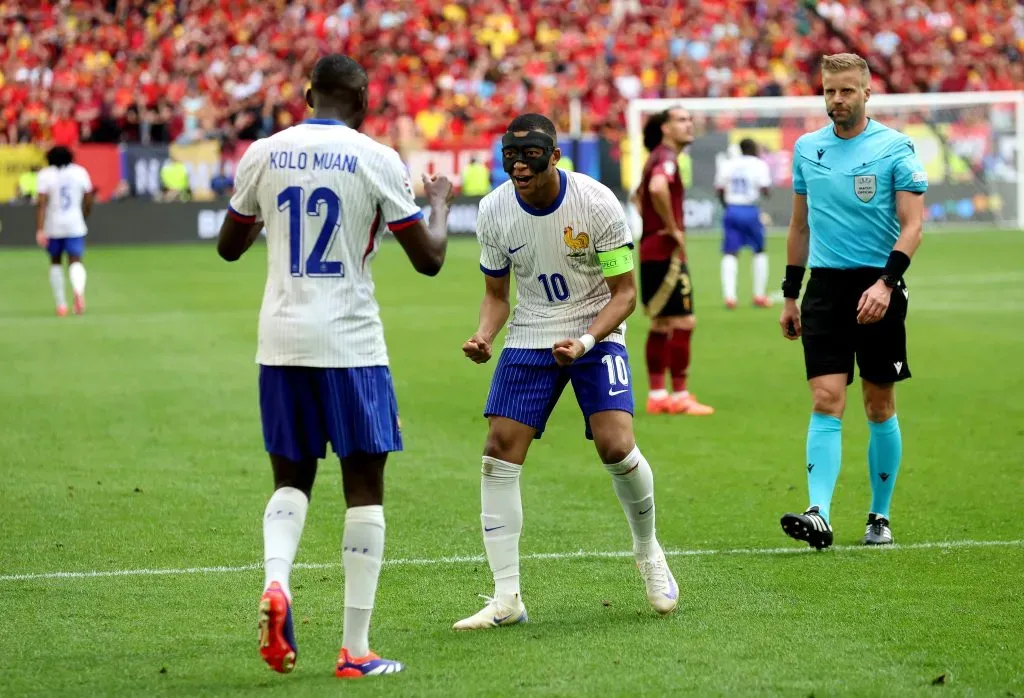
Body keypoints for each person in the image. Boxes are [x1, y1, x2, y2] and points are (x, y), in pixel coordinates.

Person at [216, 54, 454, 679]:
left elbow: (229, 246)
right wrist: (439, 204)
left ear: (306, 93)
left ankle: (277, 584)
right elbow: (429, 260)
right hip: (351, 344)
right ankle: (355, 649)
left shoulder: (264, 151)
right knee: (364, 490)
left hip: (281, 341)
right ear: (365, 100)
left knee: (290, 482)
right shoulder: (377, 158)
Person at [455, 113, 678, 631]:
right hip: (532, 332)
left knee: (616, 446)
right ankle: (506, 597)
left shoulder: (597, 202)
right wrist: (485, 335)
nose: (519, 165)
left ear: (555, 156)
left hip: (595, 330)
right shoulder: (494, 210)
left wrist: (585, 340)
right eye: (511, 155)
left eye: (530, 155)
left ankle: (648, 553)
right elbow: (495, 297)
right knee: (498, 451)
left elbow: (625, 295)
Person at [778, 53, 927, 550]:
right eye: (828, 91)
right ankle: (818, 512)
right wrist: (789, 295)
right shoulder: (806, 149)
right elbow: (798, 227)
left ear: (867, 93)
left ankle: (879, 516)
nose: (836, 100)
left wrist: (886, 284)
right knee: (825, 398)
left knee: (878, 404)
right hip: (824, 288)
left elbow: (913, 227)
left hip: (878, 284)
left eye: (846, 91)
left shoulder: (895, 148)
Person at [637, 108, 714, 416]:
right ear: (666, 128)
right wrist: (672, 228)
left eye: (689, 118)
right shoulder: (666, 157)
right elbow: (655, 188)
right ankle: (680, 395)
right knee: (684, 322)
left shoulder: (655, 156)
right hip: (665, 250)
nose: (689, 123)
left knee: (661, 323)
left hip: (650, 248)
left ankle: (658, 395)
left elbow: (637, 194)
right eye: (682, 120)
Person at [35, 146, 93, 316]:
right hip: (75, 222)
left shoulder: (45, 175)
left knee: (55, 261)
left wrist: (39, 229)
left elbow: (41, 204)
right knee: (76, 260)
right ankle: (79, 292)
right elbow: (89, 198)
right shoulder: (80, 172)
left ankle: (61, 304)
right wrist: (84, 214)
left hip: (53, 225)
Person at [715, 138, 773, 309]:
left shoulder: (728, 164)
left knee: (730, 253)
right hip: (750, 210)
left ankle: (730, 297)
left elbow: (719, 189)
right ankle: (759, 295)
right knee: (759, 251)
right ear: (754, 148)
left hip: (732, 209)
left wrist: (727, 206)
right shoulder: (759, 165)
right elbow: (765, 189)